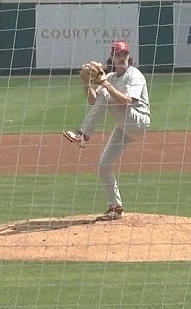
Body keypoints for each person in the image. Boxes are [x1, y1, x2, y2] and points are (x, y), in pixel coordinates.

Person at [62, 40, 151, 221]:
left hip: (139, 121)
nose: (121, 57)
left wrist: (105, 84)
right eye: (118, 54)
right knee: (103, 166)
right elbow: (94, 101)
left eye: (124, 54)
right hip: (124, 126)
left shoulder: (135, 75)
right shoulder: (111, 77)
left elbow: (126, 101)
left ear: (129, 56)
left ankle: (83, 135)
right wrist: (86, 83)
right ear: (112, 57)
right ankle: (116, 208)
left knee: (105, 93)